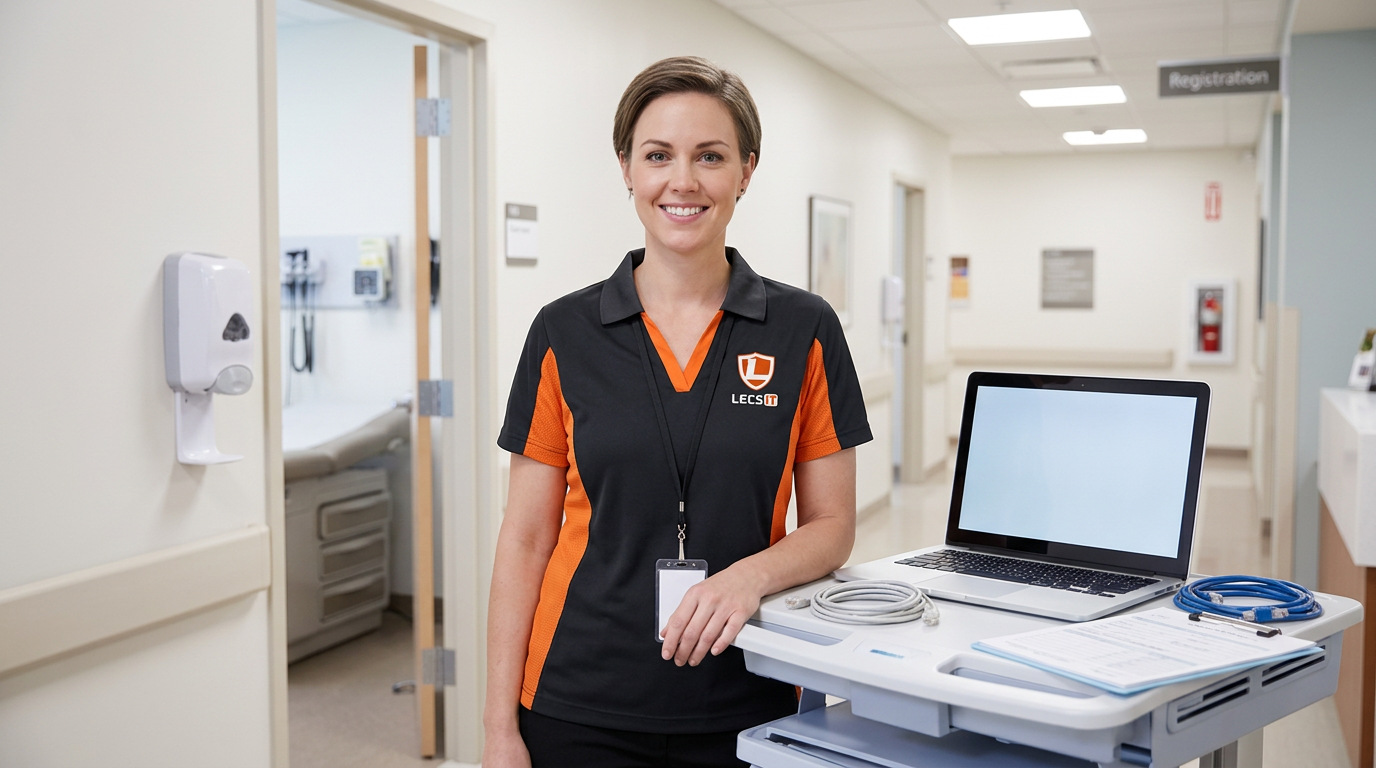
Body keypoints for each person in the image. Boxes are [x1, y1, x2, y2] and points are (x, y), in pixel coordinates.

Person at [483, 56, 872, 768]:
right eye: (658, 155)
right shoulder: (562, 332)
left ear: (746, 171)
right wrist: (497, 727)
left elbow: (832, 524)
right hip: (575, 696)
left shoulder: (804, 329)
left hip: (749, 687)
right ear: (627, 167)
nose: (682, 181)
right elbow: (525, 540)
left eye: (711, 156)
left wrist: (746, 577)